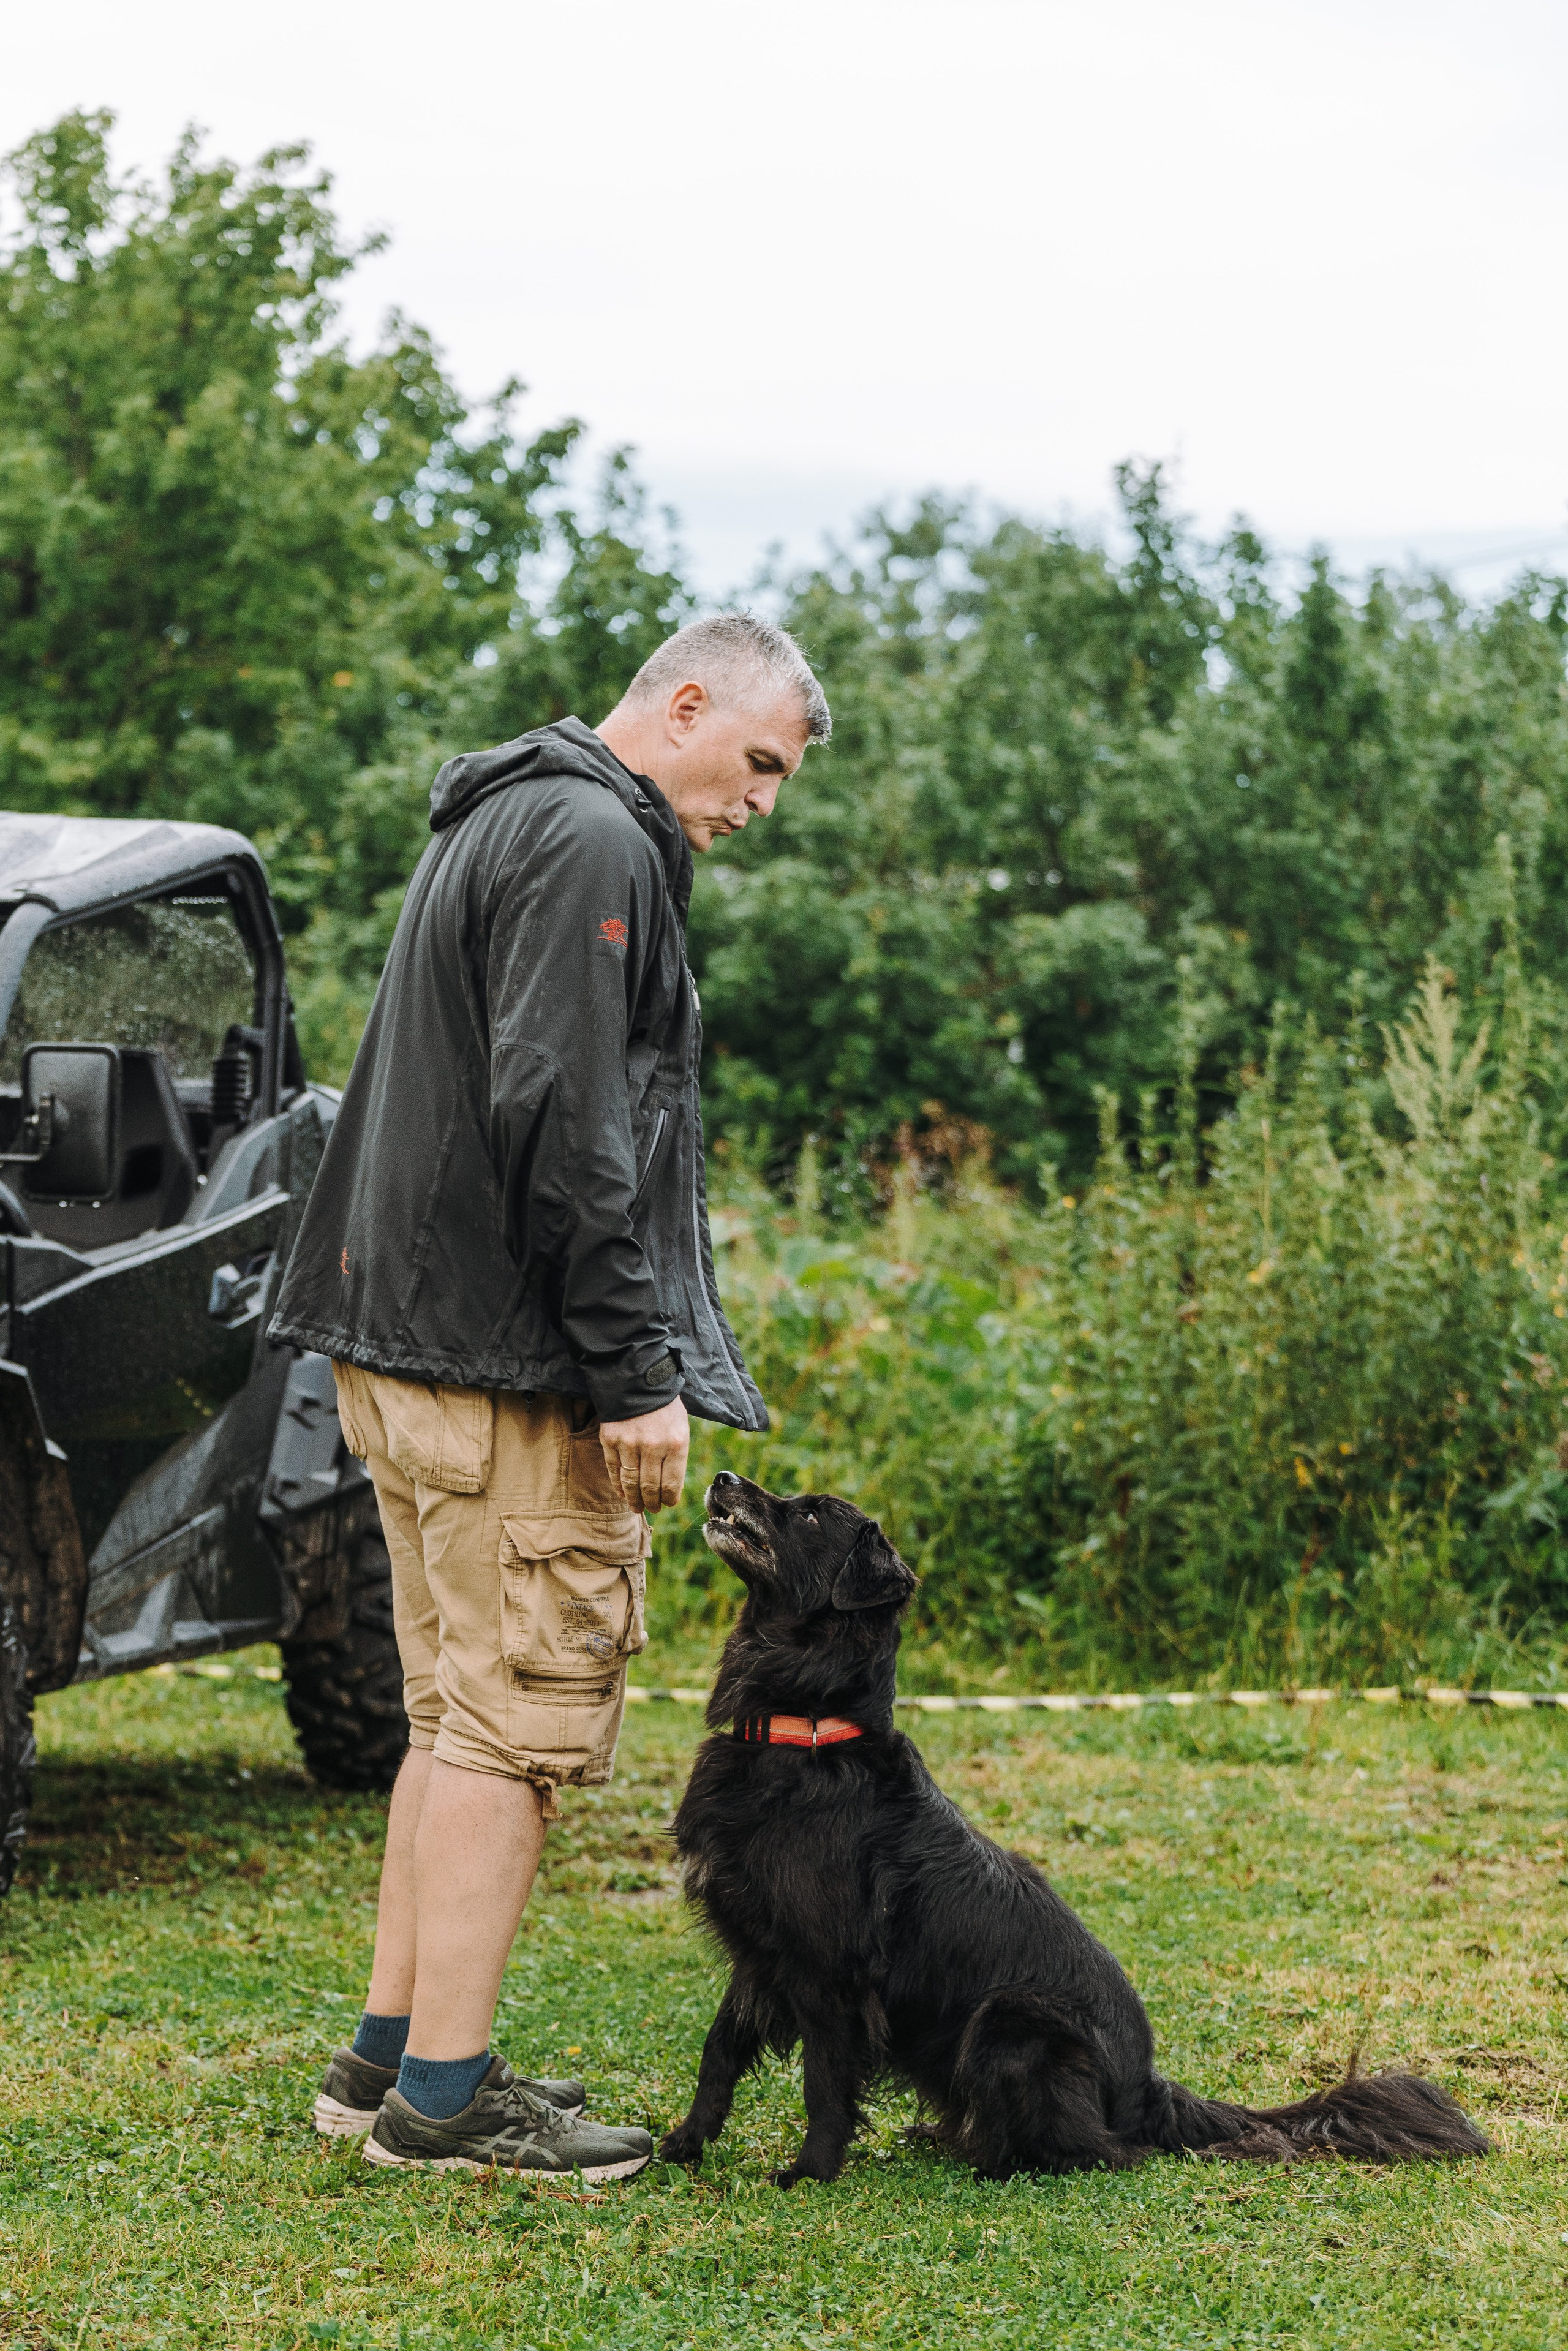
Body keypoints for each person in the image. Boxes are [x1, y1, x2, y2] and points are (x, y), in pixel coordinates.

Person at [269, 614, 831, 2178]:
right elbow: (565, 1122)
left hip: (409, 1348)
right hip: (509, 1370)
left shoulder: (510, 809)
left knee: (452, 1718)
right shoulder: (594, 834)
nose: (761, 801)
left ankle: (383, 2060)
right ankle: (448, 2101)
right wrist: (633, 1371)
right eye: (761, 762)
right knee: (513, 1734)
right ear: (690, 699)